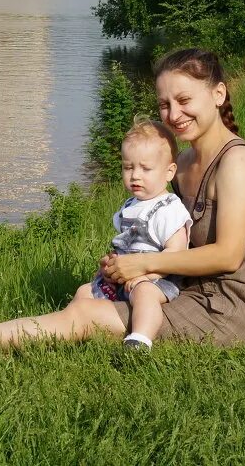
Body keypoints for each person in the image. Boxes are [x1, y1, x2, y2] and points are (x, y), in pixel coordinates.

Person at [0, 48, 245, 350]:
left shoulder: (237, 162)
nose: (173, 114)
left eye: (185, 100)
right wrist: (123, 264)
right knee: (86, 295)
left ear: (219, 93)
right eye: (164, 104)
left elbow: (228, 256)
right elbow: (173, 236)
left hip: (231, 312)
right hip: (189, 290)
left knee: (84, 315)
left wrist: (143, 263)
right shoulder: (184, 161)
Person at [85, 117, 191, 350]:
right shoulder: (130, 205)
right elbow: (125, 246)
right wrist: (111, 264)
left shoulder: (169, 209)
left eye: (145, 168)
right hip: (124, 277)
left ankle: (141, 338)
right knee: (86, 290)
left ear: (169, 172)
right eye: (128, 167)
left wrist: (148, 274)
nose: (135, 176)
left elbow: (177, 253)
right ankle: (73, 325)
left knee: (144, 295)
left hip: (158, 280)